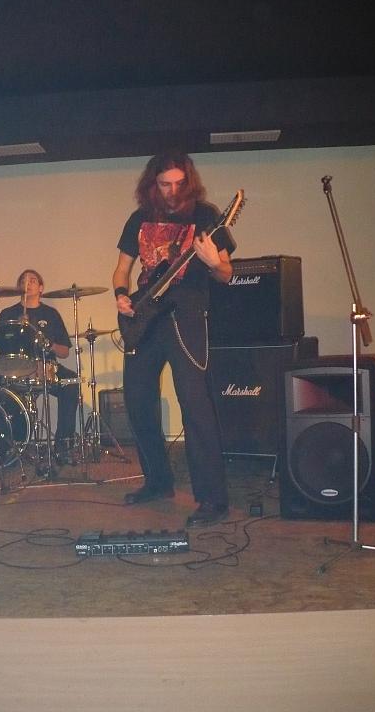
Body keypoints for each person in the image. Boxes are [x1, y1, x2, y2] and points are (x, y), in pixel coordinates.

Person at [112, 151, 235, 527]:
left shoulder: (206, 216)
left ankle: (212, 499)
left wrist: (213, 261)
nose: (172, 190)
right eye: (165, 184)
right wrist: (121, 295)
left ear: (189, 182)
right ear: (153, 184)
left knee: (195, 405)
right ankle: (158, 482)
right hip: (146, 316)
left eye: (179, 183)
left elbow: (227, 273)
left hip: (186, 318)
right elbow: (121, 269)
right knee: (137, 400)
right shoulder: (139, 218)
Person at [0, 269, 79, 459]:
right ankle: (4, 447)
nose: (28, 283)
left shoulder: (50, 314)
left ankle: (63, 445)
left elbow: (64, 352)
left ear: (41, 288)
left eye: (33, 280)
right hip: (15, 369)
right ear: (19, 287)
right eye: (23, 280)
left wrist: (48, 344)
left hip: (46, 367)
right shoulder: (8, 314)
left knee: (71, 383)